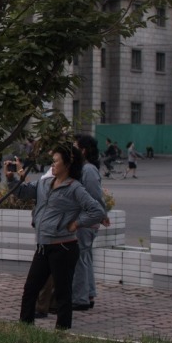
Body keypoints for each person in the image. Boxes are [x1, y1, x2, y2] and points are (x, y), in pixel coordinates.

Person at [11, 144, 108, 330]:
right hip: (43, 247)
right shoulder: (44, 183)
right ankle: (24, 328)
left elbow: (96, 210)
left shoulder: (75, 188)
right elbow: (22, 192)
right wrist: (11, 180)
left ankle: (62, 332)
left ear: (68, 164)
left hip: (64, 247)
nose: (52, 165)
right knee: (30, 288)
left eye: (55, 161)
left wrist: (76, 223)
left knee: (63, 293)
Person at [71, 134, 108, 313]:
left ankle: (80, 298)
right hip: (86, 220)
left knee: (80, 259)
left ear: (83, 150)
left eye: (74, 146)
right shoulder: (84, 168)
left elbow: (94, 196)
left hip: (85, 221)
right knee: (85, 258)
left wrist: (100, 214)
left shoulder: (88, 170)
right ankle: (88, 295)